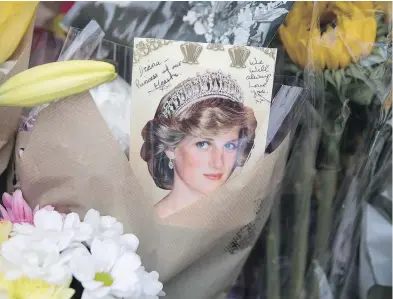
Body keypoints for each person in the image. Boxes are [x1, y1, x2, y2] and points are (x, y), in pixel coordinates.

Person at [140, 71, 257, 218]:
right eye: (203, 144)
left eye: (229, 146)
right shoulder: (147, 222)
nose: (218, 163)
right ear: (170, 148)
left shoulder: (238, 222)